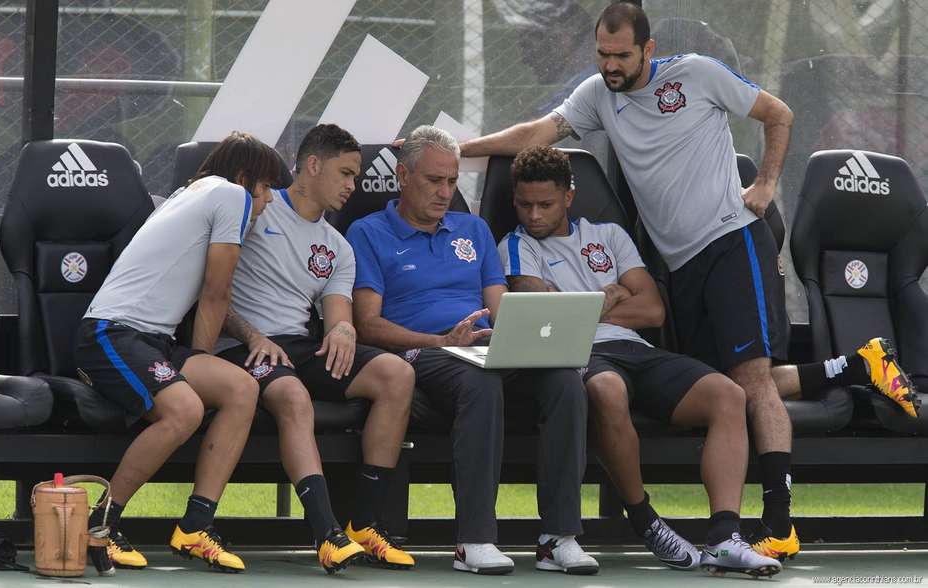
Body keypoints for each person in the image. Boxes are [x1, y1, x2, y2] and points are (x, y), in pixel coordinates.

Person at [458, 2, 919, 559]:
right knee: (742, 378)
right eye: (602, 54)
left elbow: (779, 113)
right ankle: (856, 364)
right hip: (681, 267)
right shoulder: (597, 96)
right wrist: (459, 148)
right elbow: (535, 132)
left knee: (748, 380)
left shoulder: (697, 72)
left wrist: (767, 186)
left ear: (647, 49)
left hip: (731, 240)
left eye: (620, 55)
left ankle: (778, 521)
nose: (609, 65)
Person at [500, 146, 781, 577]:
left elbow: (652, 311)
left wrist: (588, 306)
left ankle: (725, 538)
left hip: (635, 349)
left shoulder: (609, 235)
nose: (533, 215)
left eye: (545, 204)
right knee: (606, 390)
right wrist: (610, 295)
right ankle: (645, 520)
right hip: (581, 354)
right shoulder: (514, 247)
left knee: (728, 394)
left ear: (568, 198)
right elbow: (547, 312)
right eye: (523, 204)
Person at [346, 125, 595, 576]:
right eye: (433, 181)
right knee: (479, 380)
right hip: (422, 353)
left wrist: (517, 338)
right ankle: (474, 540)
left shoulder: (474, 230)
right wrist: (441, 341)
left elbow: (498, 305)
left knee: (564, 379)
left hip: (482, 349)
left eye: (452, 181)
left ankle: (558, 537)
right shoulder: (368, 232)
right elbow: (368, 325)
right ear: (403, 175)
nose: (445, 192)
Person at [75, 132, 281, 573]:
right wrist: (200, 359)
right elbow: (216, 291)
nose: (265, 202)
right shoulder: (232, 194)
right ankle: (99, 527)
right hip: (111, 335)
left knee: (241, 388)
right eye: (265, 189)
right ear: (247, 179)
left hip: (152, 341)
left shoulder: (195, 191)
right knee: (185, 410)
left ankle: (194, 527)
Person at [216, 124, 416, 573]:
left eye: (356, 176)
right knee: (293, 396)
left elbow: (339, 311)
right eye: (345, 174)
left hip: (298, 347)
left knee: (397, 375)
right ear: (311, 165)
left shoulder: (339, 248)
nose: (352, 186)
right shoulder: (256, 210)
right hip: (240, 347)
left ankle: (365, 523)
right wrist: (251, 335)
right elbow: (211, 294)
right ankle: (327, 533)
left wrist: (343, 331)